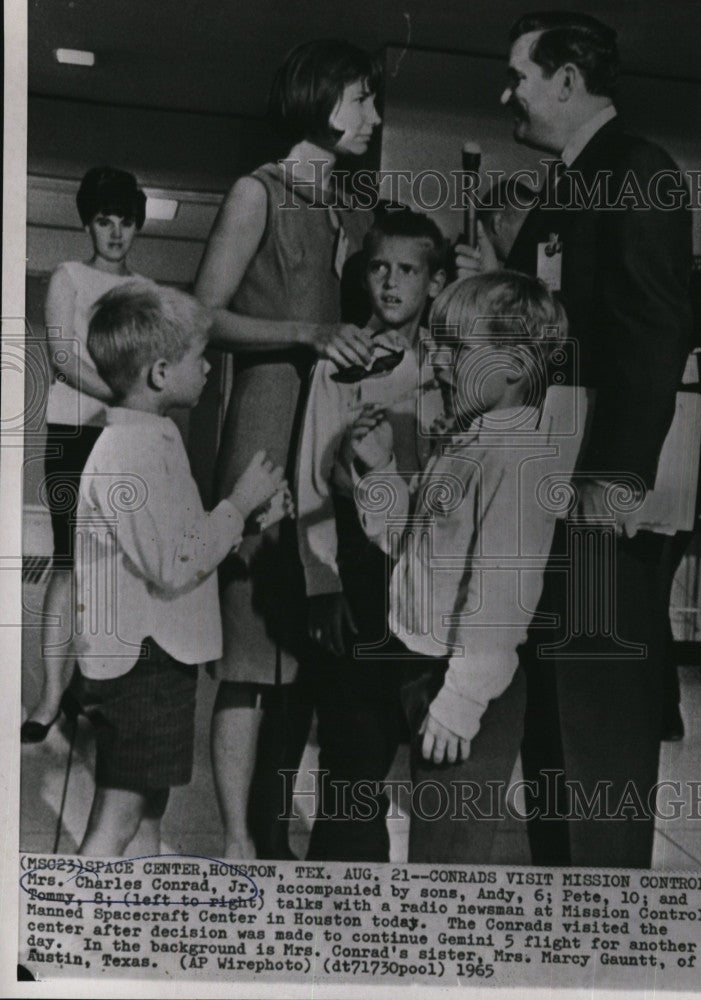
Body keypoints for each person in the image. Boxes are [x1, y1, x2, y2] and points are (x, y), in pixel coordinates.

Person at [480, 11, 692, 867]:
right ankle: (566, 915)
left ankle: (602, 929)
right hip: (547, 494)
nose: (507, 94)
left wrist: (615, 483)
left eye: (518, 77)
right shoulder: (569, 186)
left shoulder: (635, 171)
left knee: (594, 718)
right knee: (554, 719)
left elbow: (651, 336)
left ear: (566, 80)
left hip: (596, 501)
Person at [194, 39, 382, 860]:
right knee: (246, 653)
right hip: (264, 432)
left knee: (304, 653)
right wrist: (308, 331)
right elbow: (202, 316)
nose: (372, 118)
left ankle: (273, 834)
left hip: (321, 434)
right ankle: (240, 840)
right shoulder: (255, 191)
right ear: (317, 101)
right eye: (360, 100)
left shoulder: (340, 209)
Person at [348, 272, 586, 863]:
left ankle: (444, 950)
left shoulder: (519, 456)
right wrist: (379, 472)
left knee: (449, 856)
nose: (440, 361)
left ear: (514, 362)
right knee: (434, 843)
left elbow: (502, 599)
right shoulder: (464, 440)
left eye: (457, 347)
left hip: (471, 683)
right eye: (438, 345)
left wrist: (461, 703)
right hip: (426, 668)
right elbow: (409, 545)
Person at [71, 283, 289, 856]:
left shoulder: (149, 438)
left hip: (153, 657)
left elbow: (174, 541)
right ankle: (66, 930)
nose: (211, 368)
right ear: (162, 373)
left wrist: (241, 521)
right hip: (142, 661)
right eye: (199, 357)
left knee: (147, 809)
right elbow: (172, 564)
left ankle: (132, 921)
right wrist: (237, 506)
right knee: (119, 814)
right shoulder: (132, 453)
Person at [295, 207, 447, 860]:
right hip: (359, 576)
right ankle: (338, 908)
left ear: (432, 282)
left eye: (407, 269)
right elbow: (309, 478)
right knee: (352, 764)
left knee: (436, 767)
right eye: (378, 266)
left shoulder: (452, 366)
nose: (389, 282)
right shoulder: (338, 365)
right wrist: (321, 581)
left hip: (433, 582)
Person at [22, 167, 151, 743]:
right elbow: (63, 357)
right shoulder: (69, 277)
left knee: (120, 571)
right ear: (87, 223)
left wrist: (138, 404)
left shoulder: (146, 292)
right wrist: (122, 392)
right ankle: (49, 698)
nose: (116, 232)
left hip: (129, 441)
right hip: (74, 436)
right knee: (72, 565)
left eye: (126, 221)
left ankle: (93, 690)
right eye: (105, 220)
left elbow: (156, 373)